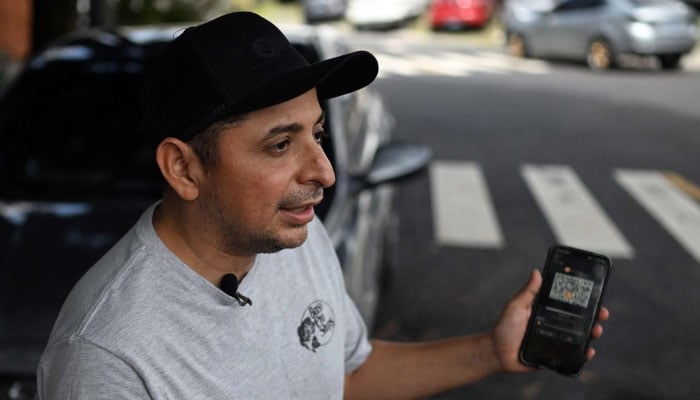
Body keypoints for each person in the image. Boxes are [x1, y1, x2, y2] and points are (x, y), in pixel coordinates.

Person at [37, 11, 609, 399]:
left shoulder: (291, 237)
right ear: (184, 168)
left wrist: (490, 349)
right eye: (281, 145)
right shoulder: (108, 353)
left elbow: (346, 375)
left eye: (318, 134)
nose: (324, 172)